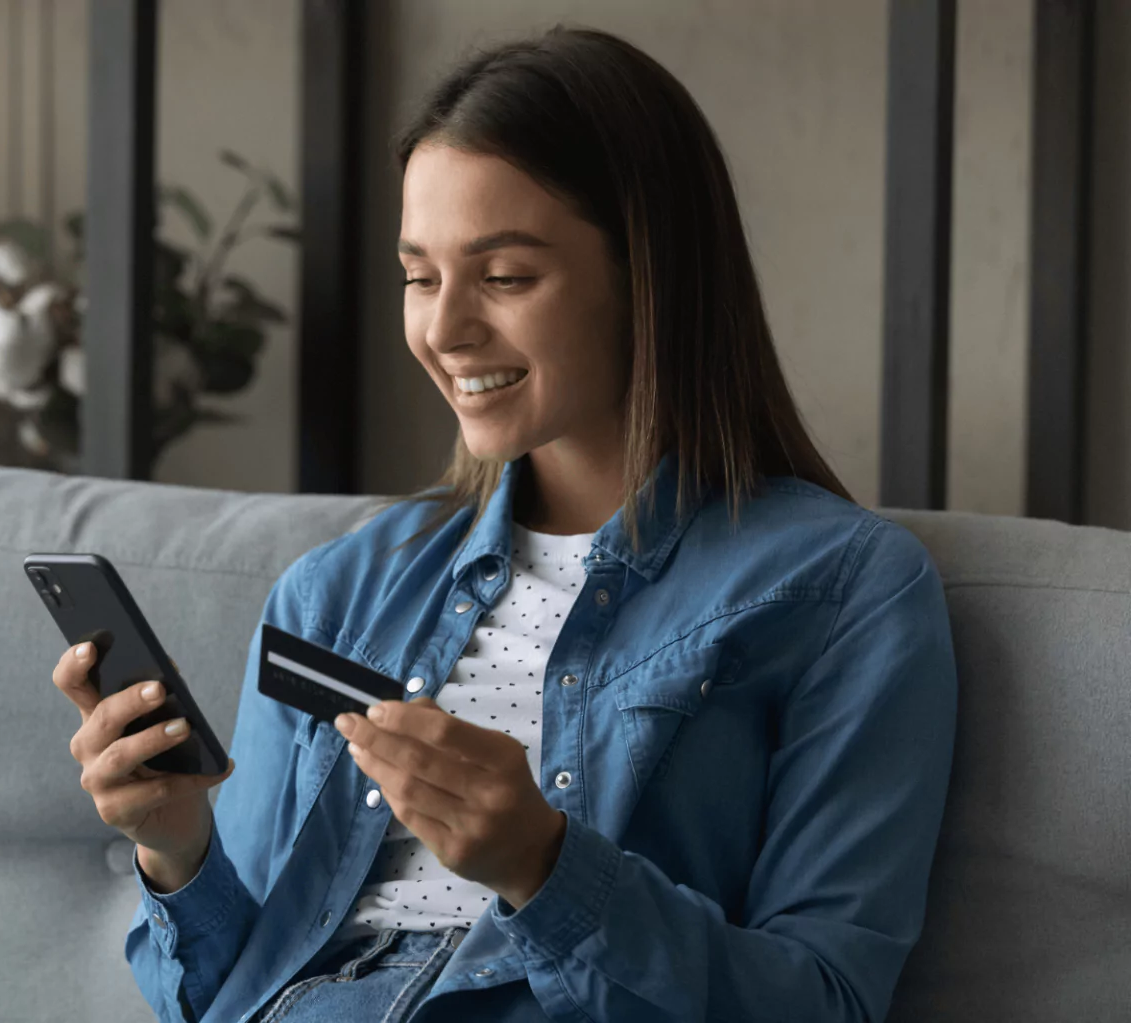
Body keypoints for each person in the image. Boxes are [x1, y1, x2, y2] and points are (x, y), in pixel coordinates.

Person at [52, 25, 957, 1023]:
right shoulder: (333, 594)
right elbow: (229, 994)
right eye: (419, 276)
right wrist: (177, 849)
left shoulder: (839, 589)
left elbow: (822, 1003)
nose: (443, 330)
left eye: (505, 277)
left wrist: (546, 868)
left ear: (647, 275)